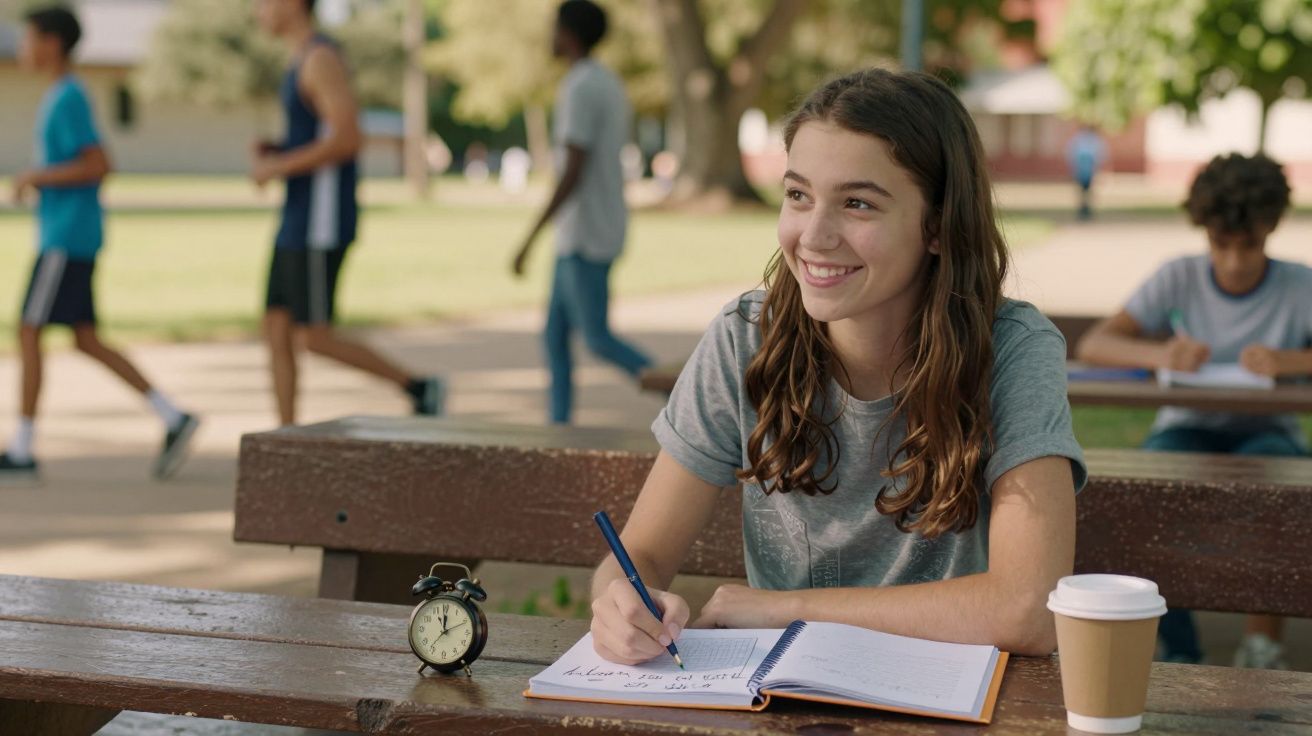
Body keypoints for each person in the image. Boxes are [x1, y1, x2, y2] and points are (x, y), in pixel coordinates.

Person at [587, 68, 1087, 664]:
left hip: (952, 699)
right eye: (798, 195)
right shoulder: (745, 339)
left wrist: (785, 608)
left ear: (936, 224)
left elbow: (1029, 609)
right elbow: (638, 555)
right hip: (783, 696)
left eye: (857, 203)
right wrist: (619, 607)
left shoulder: (1012, 348)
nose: (814, 236)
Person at [1077, 153, 1309, 669]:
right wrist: (1160, 354)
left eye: (1247, 246)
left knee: (1279, 495)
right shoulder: (1179, 277)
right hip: (1186, 426)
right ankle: (1179, 646)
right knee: (1150, 497)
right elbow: (1097, 343)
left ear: (1270, 227)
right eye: (1220, 245)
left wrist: (1290, 360)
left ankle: (1261, 645)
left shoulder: (1299, 286)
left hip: (1268, 430)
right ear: (1204, 232)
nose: (1232, 261)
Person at [1, 6, 199, 484]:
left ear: (51, 42)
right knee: (84, 338)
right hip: (71, 235)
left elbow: (98, 163)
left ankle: (23, 450)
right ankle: (173, 416)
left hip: (65, 238)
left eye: (28, 38)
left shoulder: (68, 96)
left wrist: (35, 176)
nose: (22, 47)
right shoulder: (61, 94)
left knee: (29, 330)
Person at [252, 0, 443, 426]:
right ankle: (286, 440)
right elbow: (318, 136)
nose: (256, 9)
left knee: (314, 336)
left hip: (321, 221)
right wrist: (278, 150)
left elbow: (348, 137)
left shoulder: (320, 59)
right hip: (296, 218)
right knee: (275, 327)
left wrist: (278, 166)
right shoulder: (298, 59)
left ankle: (418, 386)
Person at [510, 0, 651, 425]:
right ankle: (559, 425)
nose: (550, 38)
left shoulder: (580, 86)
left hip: (586, 234)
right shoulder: (606, 82)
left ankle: (695, 398)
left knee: (596, 338)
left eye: (555, 29)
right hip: (589, 229)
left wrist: (529, 237)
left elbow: (572, 170)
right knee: (554, 336)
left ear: (568, 35)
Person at [1066, 125, 1107, 221]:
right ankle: (1083, 209)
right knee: (1082, 191)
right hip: (1081, 169)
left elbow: (1100, 155)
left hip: (1089, 169)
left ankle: (1086, 209)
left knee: (1087, 190)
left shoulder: (1093, 140)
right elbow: (1072, 154)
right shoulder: (1079, 140)